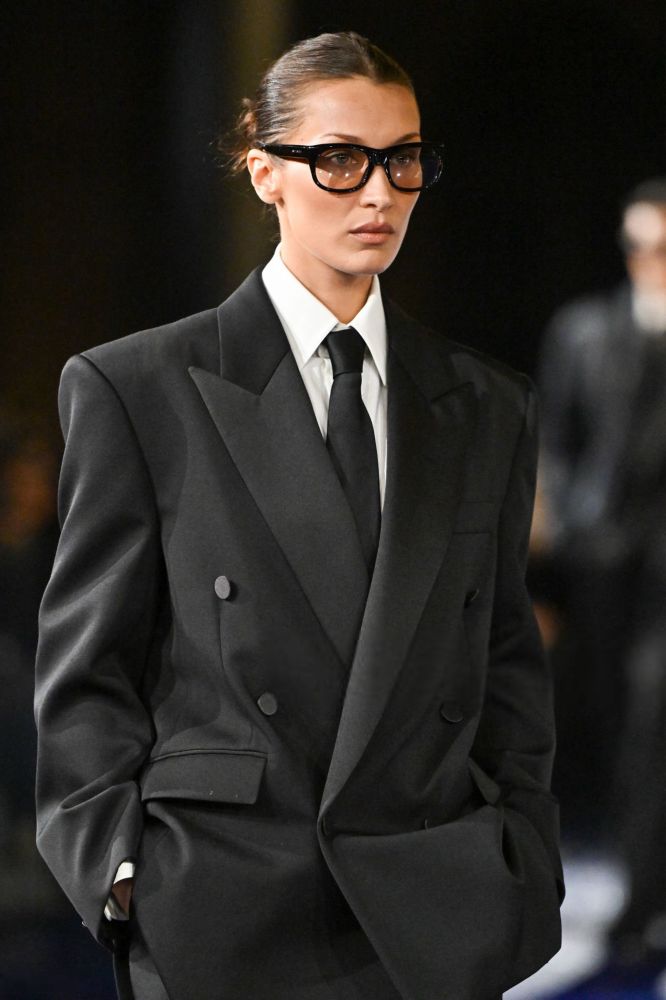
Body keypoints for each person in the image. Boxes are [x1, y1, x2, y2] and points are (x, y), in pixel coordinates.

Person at [35, 31, 563, 1000]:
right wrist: (116, 869)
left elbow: (503, 658)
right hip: (223, 906)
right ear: (263, 170)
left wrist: (522, 856)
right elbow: (87, 666)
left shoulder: (488, 404)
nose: (379, 193)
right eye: (340, 159)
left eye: (403, 159)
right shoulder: (138, 388)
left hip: (432, 907)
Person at [538, 178, 666, 966]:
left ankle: (641, 903)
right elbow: (557, 441)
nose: (649, 260)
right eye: (638, 244)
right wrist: (571, 534)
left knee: (653, 719)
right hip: (600, 571)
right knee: (617, 726)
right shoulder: (584, 332)